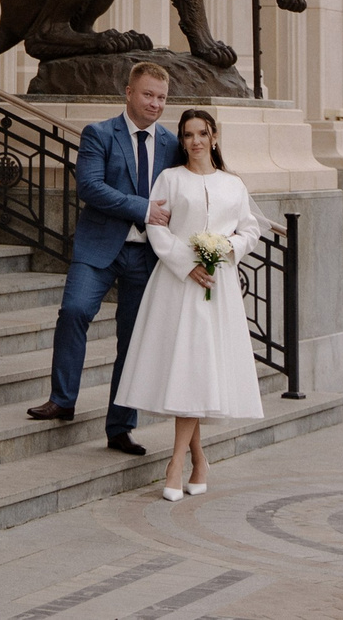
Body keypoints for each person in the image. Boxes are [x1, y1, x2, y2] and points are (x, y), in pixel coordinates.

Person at [27, 62, 179, 454]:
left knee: (132, 341)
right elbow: (90, 188)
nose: (155, 104)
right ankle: (62, 400)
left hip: (147, 256)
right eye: (148, 94)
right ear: (128, 92)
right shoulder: (99, 134)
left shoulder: (170, 143)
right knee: (74, 311)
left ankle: (120, 427)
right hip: (99, 248)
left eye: (161, 97)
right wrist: (143, 208)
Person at [115, 106, 266, 498]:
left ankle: (180, 462)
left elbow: (251, 229)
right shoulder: (170, 178)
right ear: (181, 141)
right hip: (176, 286)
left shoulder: (233, 185)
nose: (195, 141)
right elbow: (156, 226)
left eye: (201, 133)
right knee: (188, 370)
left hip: (218, 286)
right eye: (187, 135)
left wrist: (224, 249)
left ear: (214, 137)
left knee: (197, 370)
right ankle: (190, 460)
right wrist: (187, 263)